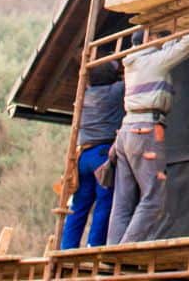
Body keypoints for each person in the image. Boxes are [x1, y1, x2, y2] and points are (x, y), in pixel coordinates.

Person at [105, 31, 189, 244]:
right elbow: (188, 44)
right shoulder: (153, 62)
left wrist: (166, 38)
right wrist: (184, 24)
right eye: (158, 34)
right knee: (153, 198)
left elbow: (166, 51)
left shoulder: (135, 61)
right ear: (148, 39)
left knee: (123, 200)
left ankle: (111, 252)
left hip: (127, 132)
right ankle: (123, 252)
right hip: (146, 130)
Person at [60, 61, 125, 249]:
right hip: (103, 154)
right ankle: (94, 245)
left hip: (83, 155)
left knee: (79, 205)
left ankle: (67, 247)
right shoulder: (116, 92)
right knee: (104, 201)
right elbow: (132, 74)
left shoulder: (84, 96)